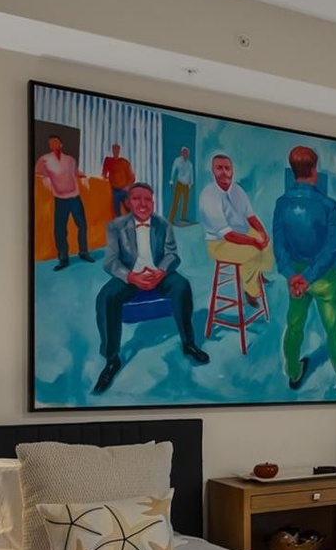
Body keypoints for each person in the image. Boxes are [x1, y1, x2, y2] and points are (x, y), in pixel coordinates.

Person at [92, 183, 208, 394]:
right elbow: (110, 261)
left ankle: (188, 344)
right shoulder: (116, 226)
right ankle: (112, 359)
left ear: (153, 203)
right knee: (106, 297)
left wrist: (161, 272)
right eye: (137, 198)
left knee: (182, 286)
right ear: (129, 202)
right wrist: (131, 276)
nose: (143, 204)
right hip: (130, 276)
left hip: (158, 274)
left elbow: (172, 255)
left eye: (148, 199)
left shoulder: (163, 225)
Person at [273, 146, 336, 399]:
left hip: (295, 278)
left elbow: (279, 247)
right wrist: (310, 277)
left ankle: (294, 373)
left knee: (294, 325)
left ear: (294, 170)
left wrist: (293, 275)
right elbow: (333, 247)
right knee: (334, 331)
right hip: (324, 277)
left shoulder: (281, 204)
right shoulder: (328, 205)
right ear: (314, 169)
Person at [197, 153, 273, 310]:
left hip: (240, 235)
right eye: (219, 168)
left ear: (232, 170)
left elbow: (251, 216)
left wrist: (262, 233)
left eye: (227, 168)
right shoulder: (208, 195)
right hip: (219, 243)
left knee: (266, 242)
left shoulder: (238, 190)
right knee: (253, 249)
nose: (224, 172)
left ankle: (258, 272)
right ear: (213, 170)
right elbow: (228, 235)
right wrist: (253, 241)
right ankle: (250, 290)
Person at [35, 134, 94, 269]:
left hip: (75, 197)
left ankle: (83, 252)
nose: (54, 145)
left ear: (61, 144)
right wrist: (47, 183)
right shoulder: (44, 160)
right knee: (60, 230)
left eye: (56, 142)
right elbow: (38, 173)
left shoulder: (70, 160)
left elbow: (76, 172)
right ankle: (63, 258)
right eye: (51, 143)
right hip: (60, 199)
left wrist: (84, 177)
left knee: (82, 226)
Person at [103, 143, 135, 218]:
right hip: (115, 190)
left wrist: (127, 187)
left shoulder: (124, 163)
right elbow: (104, 174)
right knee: (116, 210)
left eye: (116, 149)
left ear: (119, 150)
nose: (115, 151)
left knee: (129, 207)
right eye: (114, 149)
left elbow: (132, 178)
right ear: (112, 150)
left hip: (124, 190)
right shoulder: (109, 161)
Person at [167, 146, 195, 225]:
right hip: (179, 183)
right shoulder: (177, 160)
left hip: (187, 185)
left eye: (187, 153)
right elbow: (173, 169)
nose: (186, 155)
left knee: (186, 202)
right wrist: (171, 180)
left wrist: (191, 183)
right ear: (182, 153)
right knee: (176, 201)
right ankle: (170, 219)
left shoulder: (189, 163)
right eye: (185, 153)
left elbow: (191, 174)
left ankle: (183, 218)